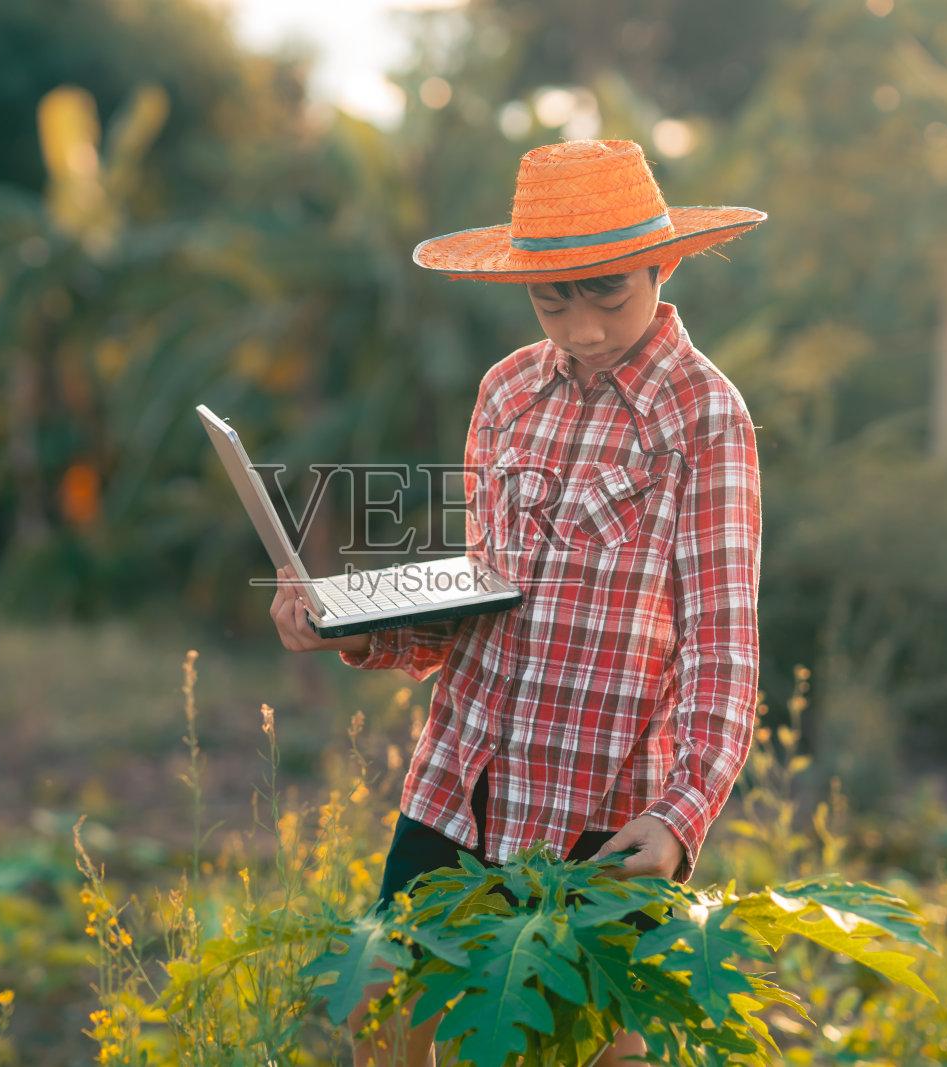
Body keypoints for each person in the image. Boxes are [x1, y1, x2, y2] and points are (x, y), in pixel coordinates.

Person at [270, 138, 765, 1067]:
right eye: (552, 298)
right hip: (463, 772)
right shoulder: (505, 392)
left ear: (661, 262)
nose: (580, 326)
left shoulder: (704, 413)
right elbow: (482, 587)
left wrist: (680, 812)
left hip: (603, 801)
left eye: (608, 291)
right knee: (385, 1018)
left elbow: (721, 643)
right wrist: (348, 622)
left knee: (593, 1046)